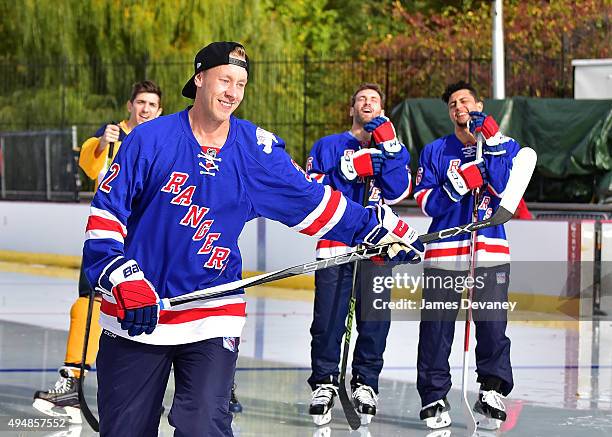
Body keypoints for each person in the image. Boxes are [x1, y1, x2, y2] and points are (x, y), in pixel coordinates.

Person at [80, 41, 424, 437]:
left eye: (241, 84)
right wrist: (122, 277)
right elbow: (106, 216)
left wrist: (376, 229)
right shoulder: (149, 140)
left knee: (204, 424)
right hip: (140, 312)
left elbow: (311, 202)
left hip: (212, 311)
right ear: (199, 79)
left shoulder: (254, 149)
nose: (232, 92)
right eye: (225, 79)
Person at [33, 80, 163, 424]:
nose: (146, 109)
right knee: (87, 304)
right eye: (141, 102)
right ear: (129, 105)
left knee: (152, 311)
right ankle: (72, 382)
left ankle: (153, 391)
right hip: (110, 237)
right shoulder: (112, 135)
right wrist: (103, 144)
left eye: (152, 104)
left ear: (159, 110)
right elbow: (91, 166)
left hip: (149, 239)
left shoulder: (164, 139)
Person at [305, 83, 413, 426]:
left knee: (374, 320)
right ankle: (324, 382)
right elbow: (311, 188)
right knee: (327, 320)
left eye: (375, 100)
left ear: (382, 110)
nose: (367, 103)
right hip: (336, 245)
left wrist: (389, 149)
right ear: (352, 108)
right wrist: (346, 169)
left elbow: (398, 191)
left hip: (378, 247)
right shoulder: (328, 145)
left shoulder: (393, 148)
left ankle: (366, 383)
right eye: (361, 99)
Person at [413, 80, 517, 431]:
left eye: (465, 101)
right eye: (453, 104)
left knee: (491, 325)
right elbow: (427, 202)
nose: (459, 107)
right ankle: (433, 395)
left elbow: (505, 192)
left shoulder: (505, 146)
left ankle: (492, 388)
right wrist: (457, 184)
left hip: (488, 249)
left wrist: (495, 143)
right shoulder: (435, 151)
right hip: (445, 251)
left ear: (479, 104)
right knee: (437, 328)